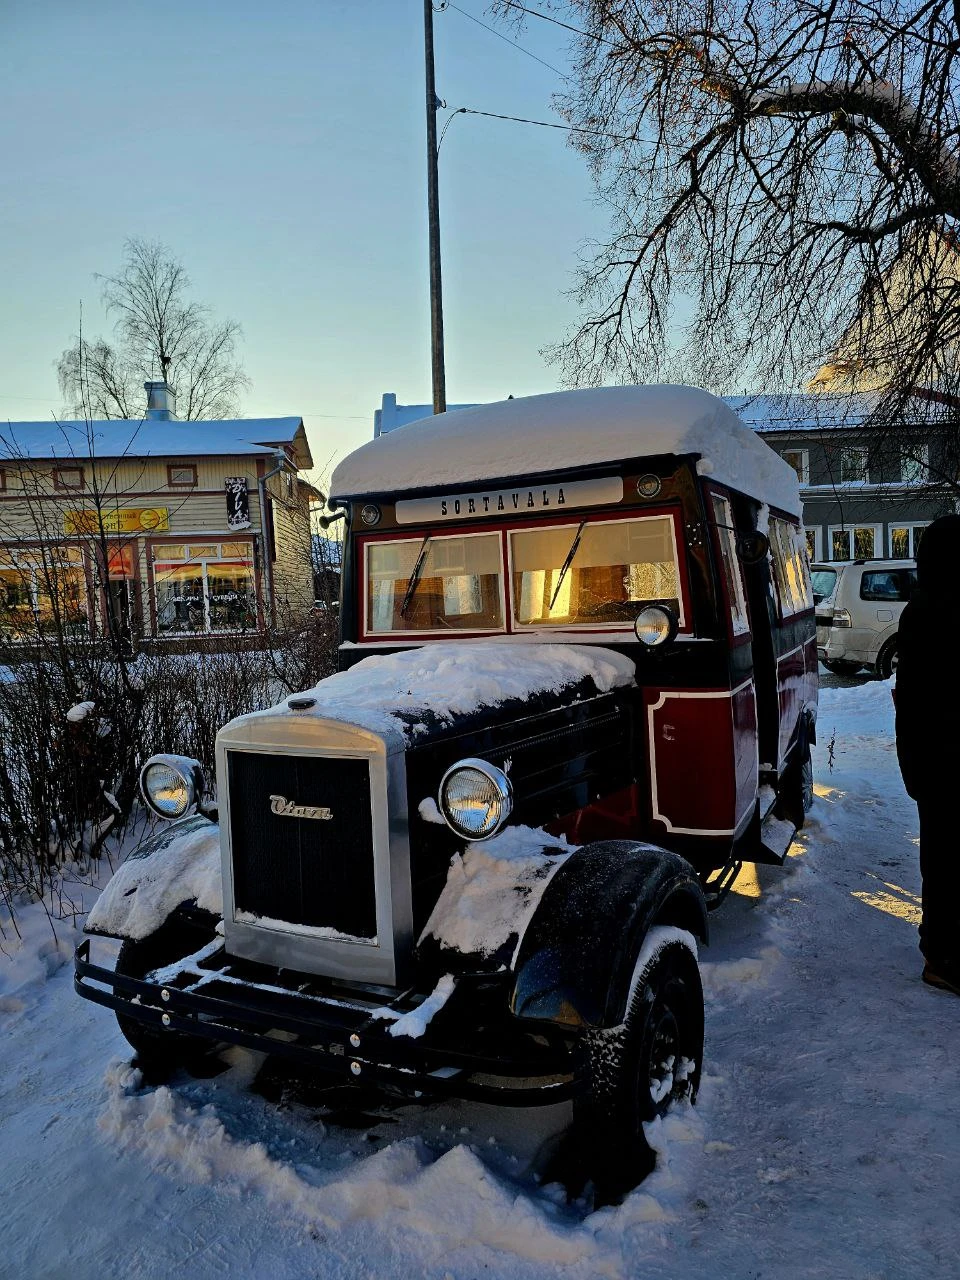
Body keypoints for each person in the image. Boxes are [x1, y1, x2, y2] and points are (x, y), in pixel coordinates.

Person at [894, 513, 960, 996]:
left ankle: (940, 946)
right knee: (946, 860)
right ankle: (942, 956)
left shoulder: (924, 609)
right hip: (943, 761)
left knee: (942, 858)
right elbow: (924, 698)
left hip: (931, 759)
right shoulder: (936, 613)